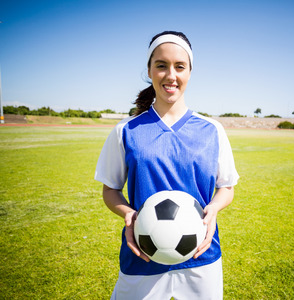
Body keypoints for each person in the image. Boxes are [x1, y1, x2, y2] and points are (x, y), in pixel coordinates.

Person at [95, 30, 239, 299]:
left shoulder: (212, 130)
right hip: (142, 256)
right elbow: (110, 189)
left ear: (190, 72)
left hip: (201, 258)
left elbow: (226, 187)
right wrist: (128, 213)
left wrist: (214, 208)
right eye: (161, 65)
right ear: (149, 71)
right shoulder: (125, 130)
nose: (171, 75)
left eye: (179, 67)